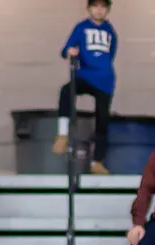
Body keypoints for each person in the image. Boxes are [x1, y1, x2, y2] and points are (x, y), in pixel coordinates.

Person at [52, 0, 116, 175]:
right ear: (88, 9)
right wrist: (70, 52)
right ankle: (62, 134)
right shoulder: (81, 27)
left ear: (108, 10)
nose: (99, 10)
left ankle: (97, 161)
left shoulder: (110, 31)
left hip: (105, 80)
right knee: (66, 91)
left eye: (103, 7)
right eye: (95, 6)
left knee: (102, 120)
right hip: (85, 75)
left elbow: (111, 54)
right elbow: (66, 49)